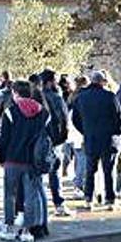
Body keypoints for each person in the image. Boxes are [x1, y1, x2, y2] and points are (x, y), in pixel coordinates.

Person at [0, 81, 50, 242]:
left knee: (10, 195)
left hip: (13, 158)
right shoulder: (43, 113)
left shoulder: (10, 112)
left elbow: (3, 138)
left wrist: (1, 157)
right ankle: (27, 230)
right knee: (31, 196)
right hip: (33, 161)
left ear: (16, 93)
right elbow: (49, 137)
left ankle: (9, 228)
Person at [72, 71, 121, 211]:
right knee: (108, 171)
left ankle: (88, 198)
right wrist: (115, 131)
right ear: (102, 82)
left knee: (90, 170)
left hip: (91, 138)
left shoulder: (81, 97)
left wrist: (85, 130)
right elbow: (119, 119)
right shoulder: (110, 96)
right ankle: (110, 199)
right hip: (107, 139)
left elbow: (75, 119)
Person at [40, 69, 71, 217]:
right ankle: (58, 203)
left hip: (38, 139)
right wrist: (61, 138)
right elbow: (64, 120)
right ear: (50, 81)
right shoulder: (56, 97)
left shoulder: (36, 97)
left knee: (36, 174)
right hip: (53, 139)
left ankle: (37, 204)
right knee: (54, 173)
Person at [67, 76, 90, 199]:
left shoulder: (72, 97)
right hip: (82, 133)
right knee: (83, 160)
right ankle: (79, 184)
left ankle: (78, 183)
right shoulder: (85, 97)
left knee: (79, 159)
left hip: (73, 133)